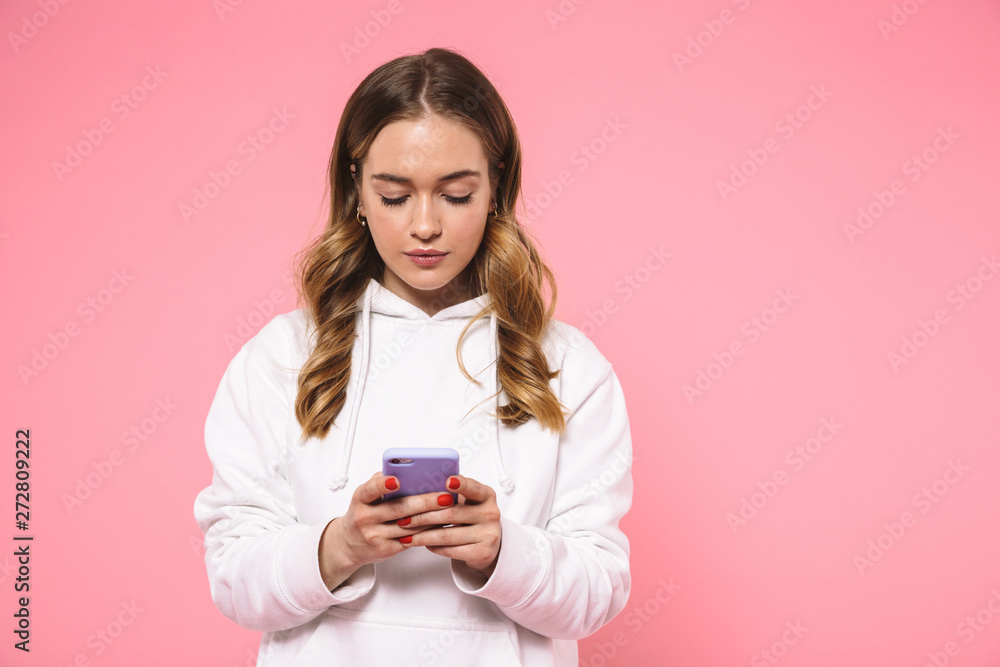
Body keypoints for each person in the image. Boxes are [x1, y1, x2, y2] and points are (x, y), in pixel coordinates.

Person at [193, 47, 633, 666]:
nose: (424, 226)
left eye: (455, 195)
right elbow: (232, 577)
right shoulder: (281, 357)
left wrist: (503, 551)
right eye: (395, 196)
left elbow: (599, 591)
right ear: (358, 191)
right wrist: (338, 545)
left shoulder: (568, 368)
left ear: (496, 188)